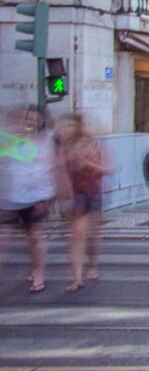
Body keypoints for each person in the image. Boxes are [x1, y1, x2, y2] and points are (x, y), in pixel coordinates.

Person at [0, 106, 61, 293]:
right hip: (10, 195)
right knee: (3, 237)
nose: (31, 122)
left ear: (43, 121)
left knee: (34, 236)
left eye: (35, 119)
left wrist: (45, 198)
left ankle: (38, 272)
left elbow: (49, 169)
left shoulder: (48, 140)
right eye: (28, 118)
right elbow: (4, 161)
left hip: (36, 196)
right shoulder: (15, 138)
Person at [55, 113, 112, 292]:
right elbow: (59, 171)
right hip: (75, 195)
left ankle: (93, 265)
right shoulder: (63, 148)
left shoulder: (95, 144)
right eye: (64, 126)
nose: (66, 130)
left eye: (70, 126)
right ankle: (77, 278)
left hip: (93, 193)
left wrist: (91, 166)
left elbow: (109, 168)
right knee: (76, 236)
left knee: (93, 236)